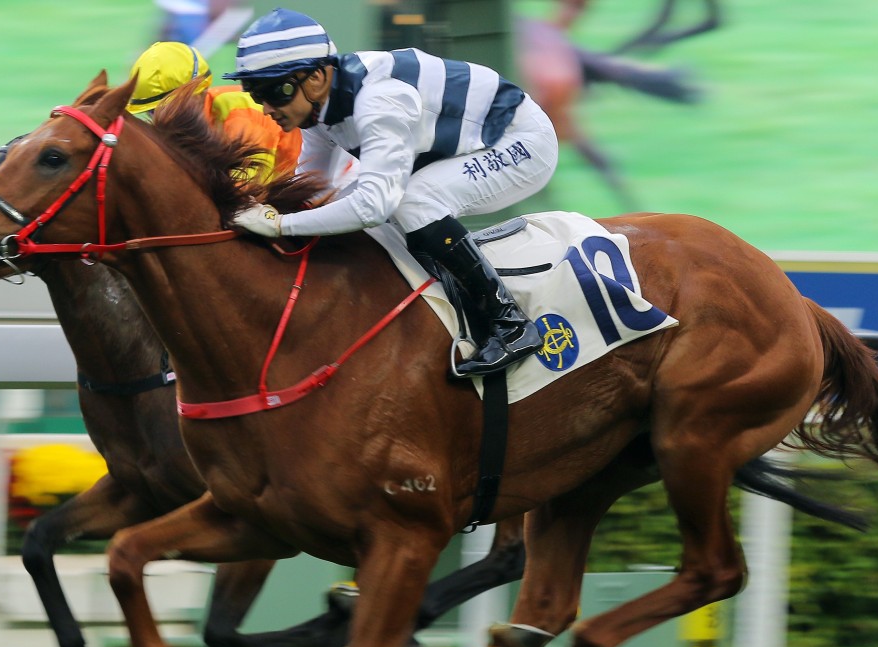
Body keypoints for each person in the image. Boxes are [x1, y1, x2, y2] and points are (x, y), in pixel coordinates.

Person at [224, 8, 559, 378]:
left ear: (317, 77)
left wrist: (280, 225)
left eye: (275, 91)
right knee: (353, 200)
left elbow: (373, 206)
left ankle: (509, 323)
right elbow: (313, 187)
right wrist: (262, 212)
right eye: (256, 94)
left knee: (412, 200)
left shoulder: (378, 102)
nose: (267, 108)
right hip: (466, 146)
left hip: (522, 142)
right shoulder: (318, 107)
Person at [127, 40, 301, 182]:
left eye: (172, 108)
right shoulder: (180, 134)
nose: (162, 118)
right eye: (152, 112)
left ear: (201, 92)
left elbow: (246, 192)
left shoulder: (243, 112)